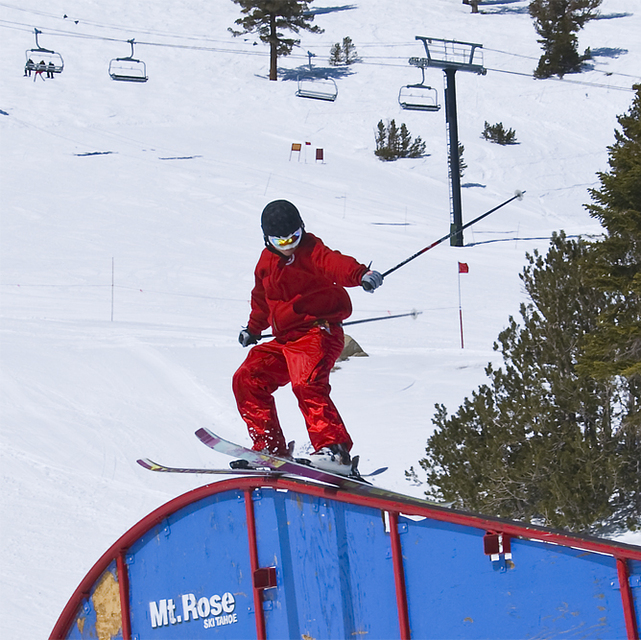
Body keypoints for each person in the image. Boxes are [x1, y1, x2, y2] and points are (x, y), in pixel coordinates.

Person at [232, 200, 383, 475]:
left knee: (306, 382)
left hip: (318, 331)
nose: (288, 245)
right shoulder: (265, 264)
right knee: (247, 378)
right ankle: (269, 448)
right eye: (281, 241)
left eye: (294, 238)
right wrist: (253, 329)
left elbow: (336, 263)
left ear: (302, 230)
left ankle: (334, 451)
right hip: (286, 340)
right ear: (267, 239)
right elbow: (261, 300)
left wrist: (362, 274)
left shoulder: (312, 251)